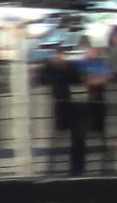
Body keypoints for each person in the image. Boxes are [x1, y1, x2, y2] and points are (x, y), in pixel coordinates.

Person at [36, 43, 84, 175]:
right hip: (60, 105)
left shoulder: (69, 67)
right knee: (57, 137)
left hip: (71, 105)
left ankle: (74, 168)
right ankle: (53, 167)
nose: (59, 57)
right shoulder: (52, 68)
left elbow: (77, 79)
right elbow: (44, 79)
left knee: (73, 137)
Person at [79, 41, 112, 175]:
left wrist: (95, 80)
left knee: (102, 131)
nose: (94, 52)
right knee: (84, 134)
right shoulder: (81, 64)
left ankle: (105, 163)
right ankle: (84, 164)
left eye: (95, 49)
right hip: (84, 103)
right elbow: (84, 80)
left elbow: (106, 78)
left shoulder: (102, 63)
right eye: (90, 49)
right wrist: (94, 80)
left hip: (100, 101)